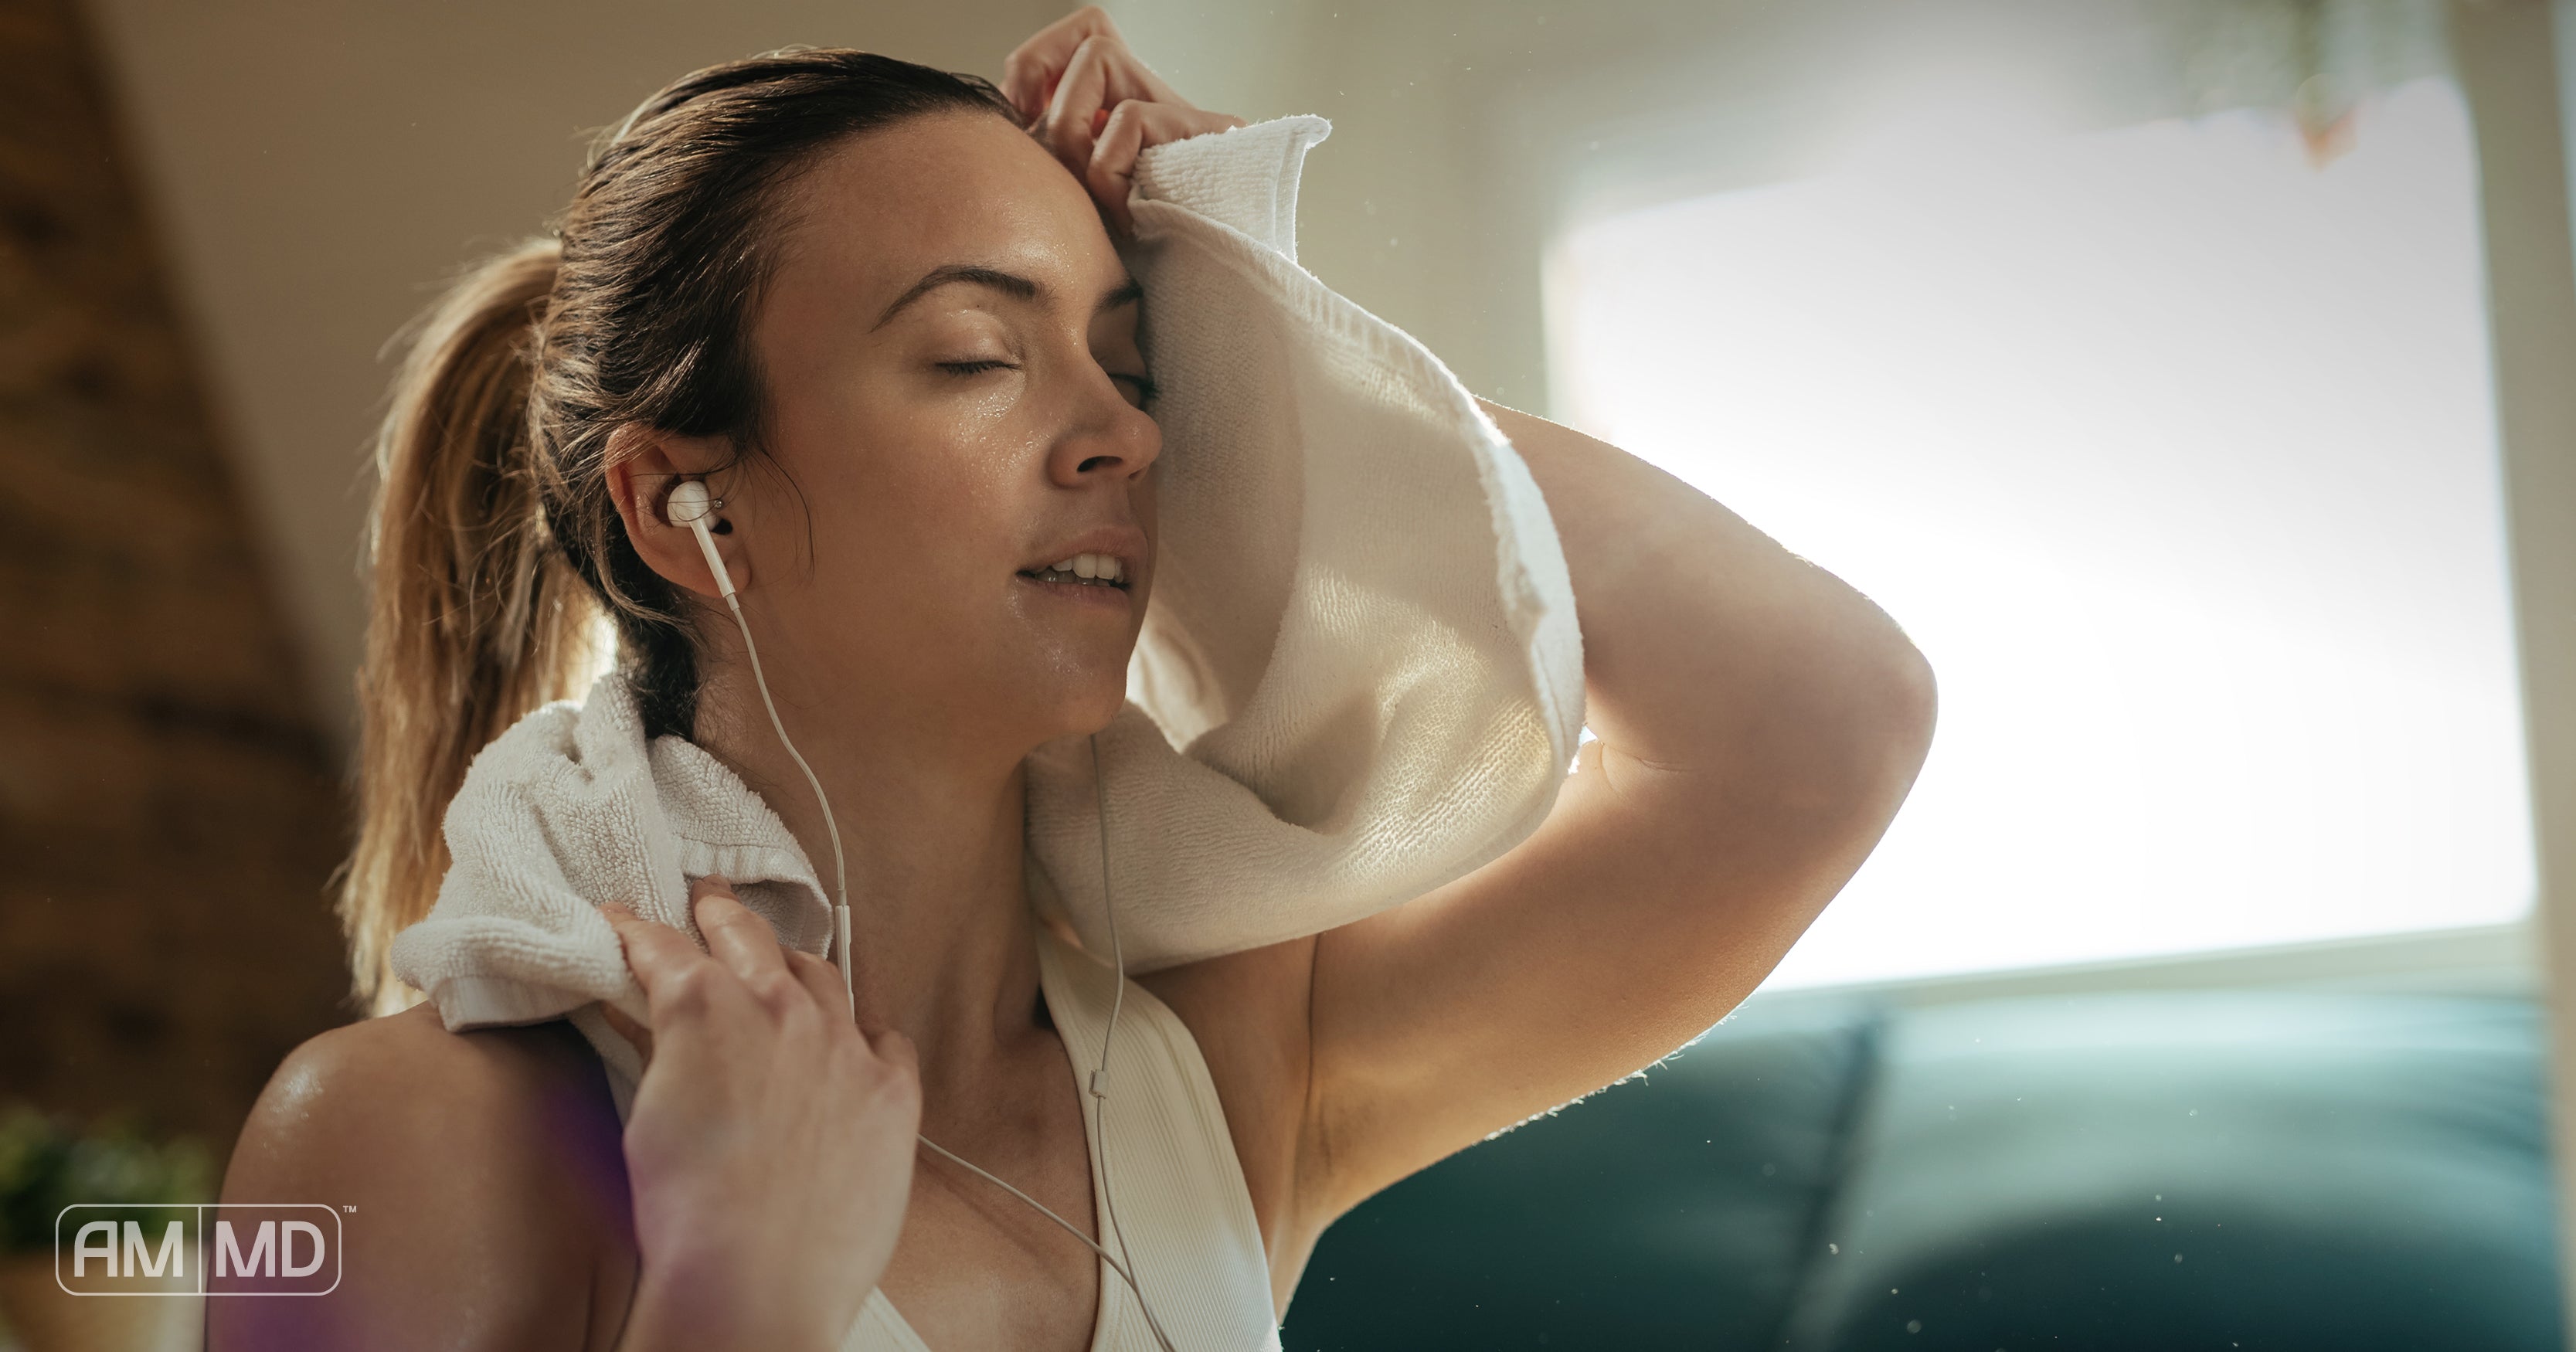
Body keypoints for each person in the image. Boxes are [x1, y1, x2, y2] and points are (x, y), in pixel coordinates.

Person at [210, 9, 1935, 1350]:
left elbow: (1818, 724)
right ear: (682, 503)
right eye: (977, 353)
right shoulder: (412, 1135)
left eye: (1139, 362)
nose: (1125, 433)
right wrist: (734, 1295)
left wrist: (1266, 322)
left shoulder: (1226, 1065)